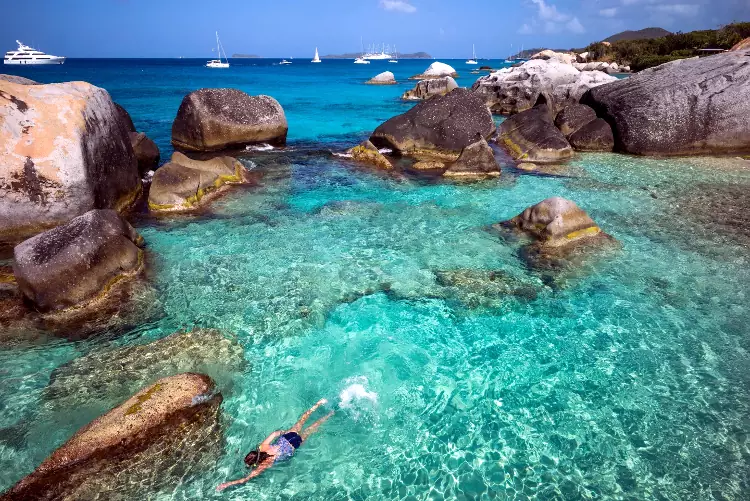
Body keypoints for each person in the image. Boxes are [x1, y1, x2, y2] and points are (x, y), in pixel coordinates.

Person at [216, 398, 334, 492]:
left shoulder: (265, 464)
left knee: (312, 428)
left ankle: (330, 414)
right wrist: (283, 432)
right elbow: (275, 433)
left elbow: (245, 479)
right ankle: (318, 403)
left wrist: (227, 484)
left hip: (293, 445)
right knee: (302, 419)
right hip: (287, 436)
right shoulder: (262, 447)